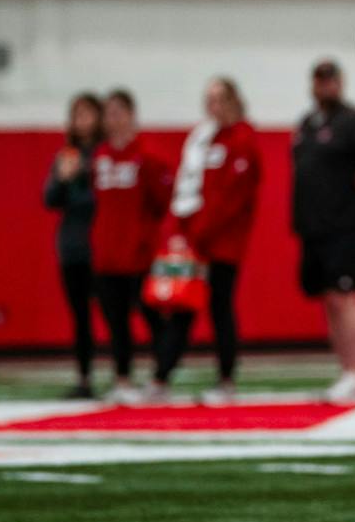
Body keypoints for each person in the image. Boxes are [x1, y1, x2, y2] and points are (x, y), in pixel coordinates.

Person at [292, 59, 355, 403]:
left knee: (344, 296)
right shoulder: (307, 124)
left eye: (331, 80)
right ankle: (345, 372)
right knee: (329, 300)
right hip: (314, 226)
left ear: (340, 83)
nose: (326, 86)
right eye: (320, 81)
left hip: (345, 223)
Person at [157, 77, 262, 406]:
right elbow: (191, 189)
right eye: (209, 98)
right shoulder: (205, 138)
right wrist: (186, 234)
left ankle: (226, 379)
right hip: (197, 244)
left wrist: (201, 234)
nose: (213, 105)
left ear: (233, 100)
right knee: (183, 309)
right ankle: (161, 376)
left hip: (223, 246)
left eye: (219, 98)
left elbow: (232, 201)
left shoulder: (243, 140)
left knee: (220, 309)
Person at [90, 88, 172, 404]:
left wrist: (144, 239)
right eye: (107, 113)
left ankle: (160, 375)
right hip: (106, 254)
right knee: (115, 322)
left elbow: (161, 202)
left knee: (153, 319)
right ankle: (122, 378)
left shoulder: (147, 155)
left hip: (139, 254)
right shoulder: (99, 157)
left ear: (130, 114)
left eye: (116, 112)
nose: (111, 119)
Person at [45, 92, 103, 398]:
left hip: (104, 244)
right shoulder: (67, 155)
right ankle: (84, 378)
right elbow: (49, 200)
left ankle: (126, 374)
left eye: (88, 114)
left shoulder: (106, 154)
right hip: (73, 245)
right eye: (77, 114)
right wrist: (64, 180)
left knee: (117, 310)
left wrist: (88, 177)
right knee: (80, 316)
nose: (82, 121)